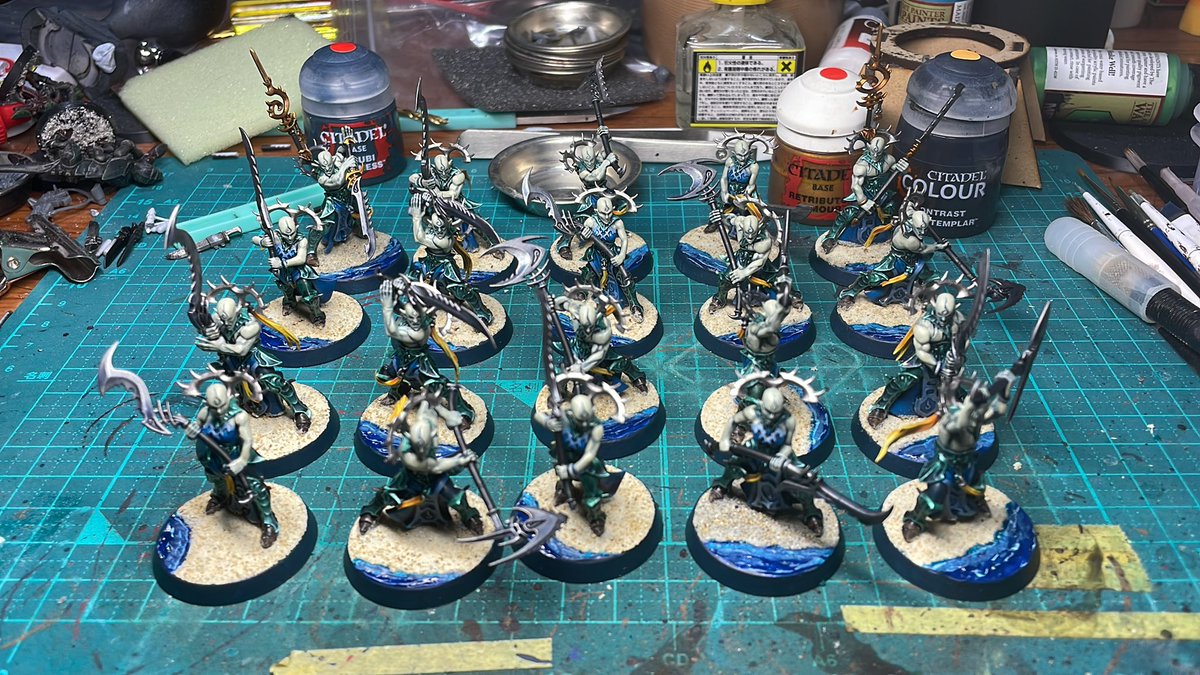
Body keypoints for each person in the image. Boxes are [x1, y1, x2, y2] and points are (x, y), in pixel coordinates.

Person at [195, 297, 312, 431]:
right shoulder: (217, 318)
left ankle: (300, 410)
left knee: (273, 381)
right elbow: (202, 337)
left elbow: (241, 350)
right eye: (223, 320)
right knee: (231, 383)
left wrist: (219, 346)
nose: (226, 324)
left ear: (237, 312)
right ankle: (241, 406)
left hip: (251, 357)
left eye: (229, 320)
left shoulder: (250, 325)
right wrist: (207, 333)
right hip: (231, 360)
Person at [185, 383, 279, 548]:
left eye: (221, 406)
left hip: (236, 455)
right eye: (214, 407)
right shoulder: (205, 413)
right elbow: (195, 430)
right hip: (214, 457)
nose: (218, 410)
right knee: (217, 479)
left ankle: (269, 522)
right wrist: (191, 431)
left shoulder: (238, 416)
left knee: (255, 487)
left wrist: (242, 460)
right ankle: (219, 497)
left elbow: (247, 440)